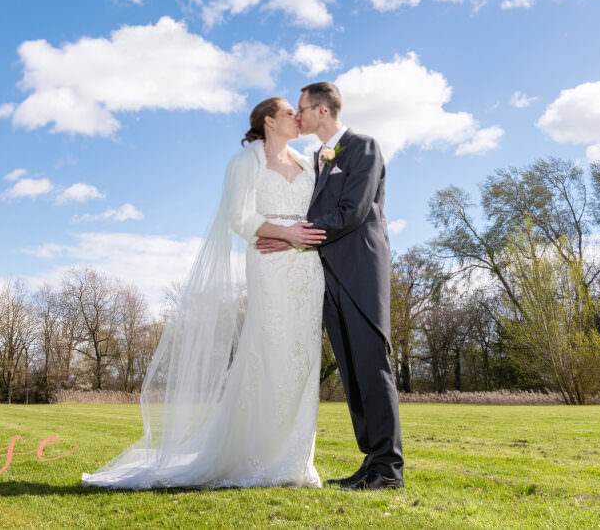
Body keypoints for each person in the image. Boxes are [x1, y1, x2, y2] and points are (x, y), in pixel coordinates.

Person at [81, 97, 327, 490]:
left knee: (303, 358)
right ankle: (257, 456)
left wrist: (301, 239)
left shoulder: (307, 161)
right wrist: (285, 234)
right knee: (270, 352)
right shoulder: (246, 162)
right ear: (268, 121)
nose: (297, 117)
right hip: (269, 262)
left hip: (307, 268)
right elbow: (239, 217)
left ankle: (295, 460)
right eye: (288, 112)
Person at [258, 81, 405, 490]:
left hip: (361, 269)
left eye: (301, 108)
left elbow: (352, 212)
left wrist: (289, 235)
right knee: (353, 369)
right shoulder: (319, 160)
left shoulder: (363, 147)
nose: (297, 115)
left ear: (321, 110)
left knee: (373, 365)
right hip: (329, 276)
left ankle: (389, 469)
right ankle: (371, 461)